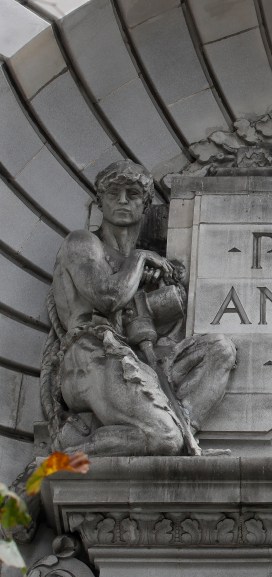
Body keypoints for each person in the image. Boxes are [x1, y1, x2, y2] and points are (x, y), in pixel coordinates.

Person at [43, 160, 236, 456]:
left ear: (145, 205)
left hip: (136, 359)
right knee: (165, 439)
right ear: (100, 201)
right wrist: (141, 259)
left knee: (219, 350)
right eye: (113, 193)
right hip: (91, 356)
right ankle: (65, 458)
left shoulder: (143, 268)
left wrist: (162, 290)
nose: (122, 201)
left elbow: (145, 324)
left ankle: (176, 433)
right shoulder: (82, 243)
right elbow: (106, 298)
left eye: (132, 194)